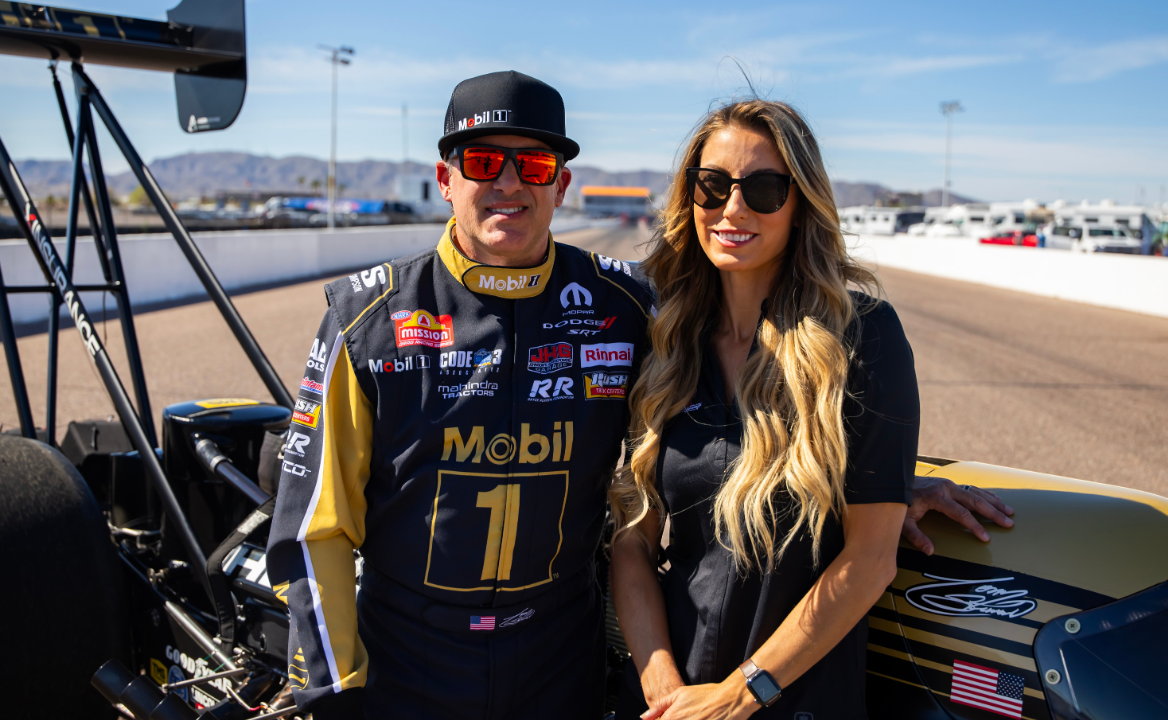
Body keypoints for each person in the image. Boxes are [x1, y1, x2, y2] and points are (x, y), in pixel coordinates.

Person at [267, 71, 1011, 720]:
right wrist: (336, 696)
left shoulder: (630, 306)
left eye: (534, 165)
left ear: (562, 184)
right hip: (411, 666)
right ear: (445, 178)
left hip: (562, 667)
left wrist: (888, 480)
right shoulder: (366, 319)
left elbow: (775, 402)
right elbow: (313, 532)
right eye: (484, 161)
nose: (508, 183)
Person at [609, 99, 1008, 720]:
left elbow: (870, 558)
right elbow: (634, 539)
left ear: (801, 206)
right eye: (711, 186)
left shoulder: (862, 339)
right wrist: (662, 686)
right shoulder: (667, 343)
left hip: (797, 702)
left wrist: (739, 698)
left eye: (764, 189)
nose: (733, 209)